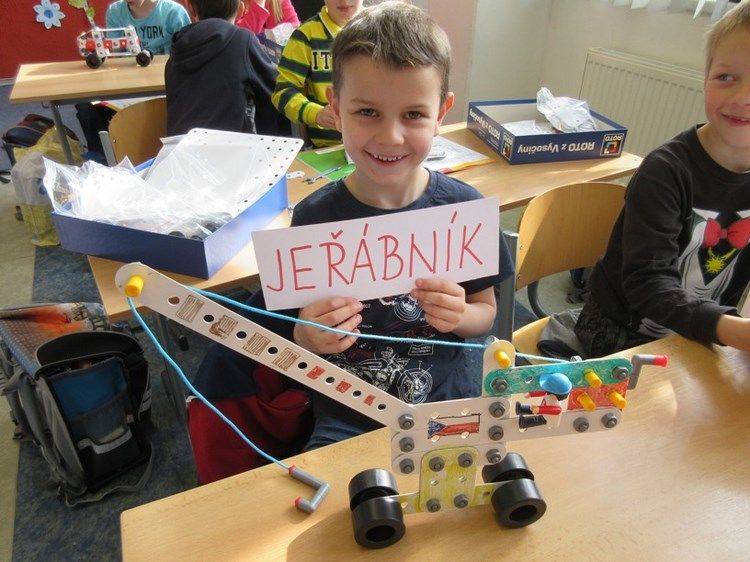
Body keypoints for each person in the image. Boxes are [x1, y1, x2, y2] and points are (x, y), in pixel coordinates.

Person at [283, 1, 514, 449]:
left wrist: (461, 315)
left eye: (413, 114)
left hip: (447, 401)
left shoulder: (464, 210)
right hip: (349, 412)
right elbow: (299, 331)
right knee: (337, 489)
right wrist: (306, 334)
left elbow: (486, 314)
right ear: (335, 107)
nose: (390, 137)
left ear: (442, 112)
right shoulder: (312, 219)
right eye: (367, 112)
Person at [572, 0, 750, 357]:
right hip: (621, 330)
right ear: (705, 78)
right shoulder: (666, 171)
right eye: (726, 78)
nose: (742, 97)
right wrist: (733, 331)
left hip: (703, 336)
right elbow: (648, 284)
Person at [76, 0, 190, 160]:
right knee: (86, 105)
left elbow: (187, 54)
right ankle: (101, 158)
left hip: (165, 85)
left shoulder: (173, 12)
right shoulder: (116, 12)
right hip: (129, 85)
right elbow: (116, 57)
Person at [165, 0, 280, 136]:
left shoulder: (176, 51)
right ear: (241, 10)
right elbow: (275, 90)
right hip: (228, 145)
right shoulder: (241, 40)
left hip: (179, 145)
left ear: (190, 8)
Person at [272, 0, 363, 147]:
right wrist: (316, 114)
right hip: (328, 148)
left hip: (377, 143)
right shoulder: (306, 36)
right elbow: (282, 92)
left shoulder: (381, 31)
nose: (344, 1)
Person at [106, 0, 190, 56]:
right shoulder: (114, 12)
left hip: (165, 71)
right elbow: (116, 54)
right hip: (129, 73)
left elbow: (187, 53)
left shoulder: (174, 12)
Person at [235, 0, 300, 34]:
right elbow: (238, 39)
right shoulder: (233, 3)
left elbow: (295, 32)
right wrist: (259, 6)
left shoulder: (279, 2)